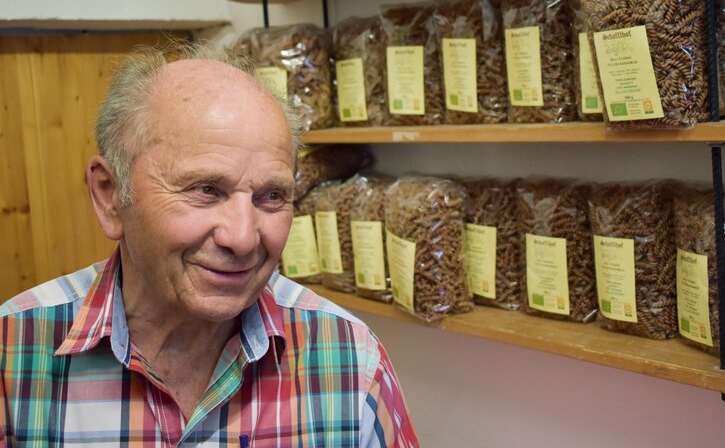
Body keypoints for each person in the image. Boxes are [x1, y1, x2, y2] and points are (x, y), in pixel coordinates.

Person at [0, 43, 419, 447]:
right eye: (205, 189)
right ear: (110, 195)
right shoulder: (12, 353)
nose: (241, 238)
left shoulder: (347, 357)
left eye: (271, 196)